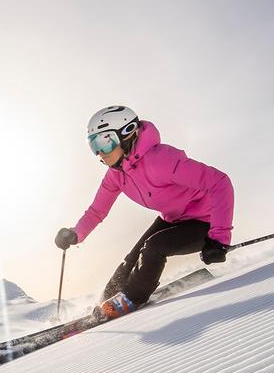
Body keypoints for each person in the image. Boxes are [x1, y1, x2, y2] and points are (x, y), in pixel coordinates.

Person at [55, 105, 234, 319]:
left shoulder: (161, 160)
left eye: (105, 142)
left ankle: (131, 299)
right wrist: (76, 234)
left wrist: (220, 239)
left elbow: (219, 182)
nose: (100, 152)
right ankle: (104, 304)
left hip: (205, 222)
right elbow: (96, 211)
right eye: (94, 145)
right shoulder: (117, 174)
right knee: (130, 260)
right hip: (172, 219)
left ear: (128, 133)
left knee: (153, 248)